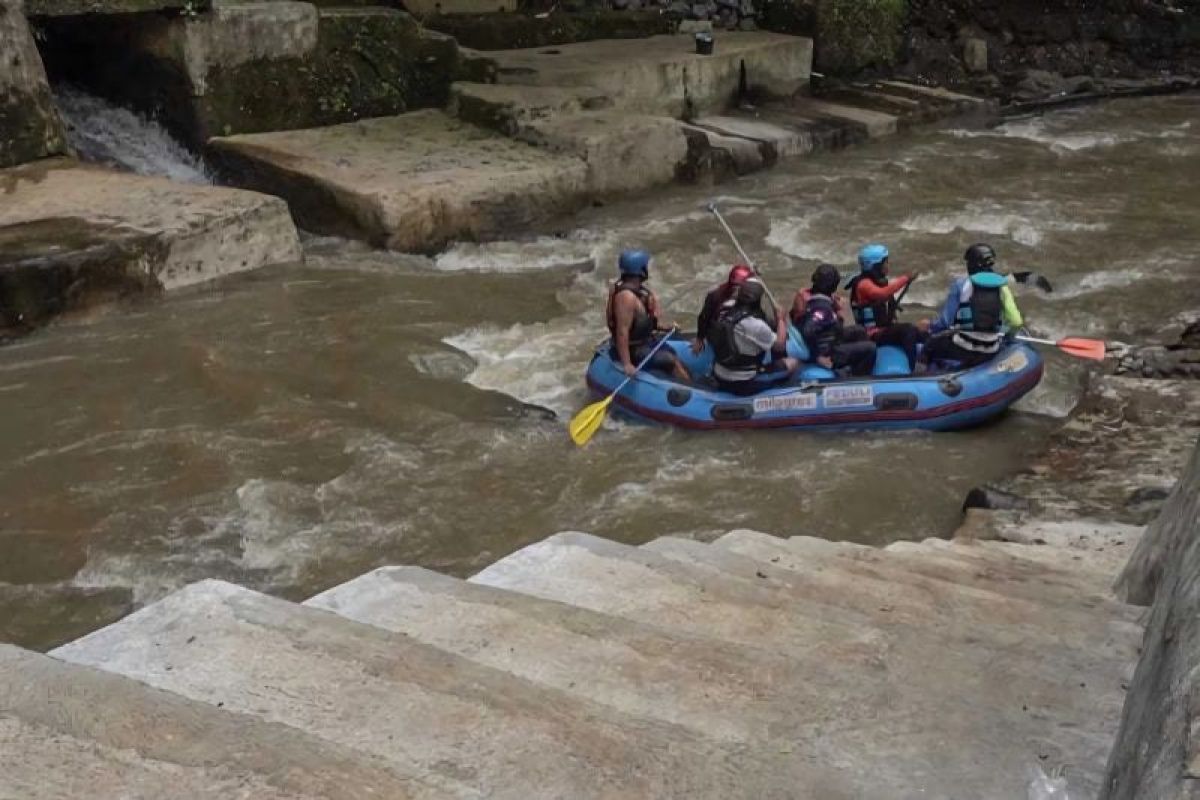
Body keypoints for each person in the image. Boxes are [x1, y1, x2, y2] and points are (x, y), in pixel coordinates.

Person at [924, 243, 1025, 367]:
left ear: (972, 265)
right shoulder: (1002, 287)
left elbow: (945, 322)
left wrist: (930, 328)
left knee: (930, 345)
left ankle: (921, 376)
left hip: (961, 348)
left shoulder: (961, 285)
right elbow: (1016, 322)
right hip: (990, 350)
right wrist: (1008, 337)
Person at [606, 249, 691, 382]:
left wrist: (666, 327)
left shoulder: (639, 292)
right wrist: (627, 364)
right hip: (634, 349)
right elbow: (622, 331)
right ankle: (691, 388)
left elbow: (644, 323)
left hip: (646, 342)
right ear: (640, 269)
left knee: (674, 356)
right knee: (672, 361)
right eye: (645, 266)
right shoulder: (626, 297)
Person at [707, 278, 799, 395]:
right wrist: (781, 319)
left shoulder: (725, 308)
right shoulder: (756, 326)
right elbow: (780, 345)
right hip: (743, 382)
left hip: (718, 373)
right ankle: (779, 391)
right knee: (793, 363)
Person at [845, 243, 925, 370]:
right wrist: (906, 278)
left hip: (884, 330)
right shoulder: (863, 284)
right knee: (907, 330)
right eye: (885, 262)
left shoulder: (879, 281)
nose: (888, 265)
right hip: (872, 335)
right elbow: (882, 294)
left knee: (920, 332)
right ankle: (911, 369)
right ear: (875, 265)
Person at [798, 264, 877, 376]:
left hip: (830, 339)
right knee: (871, 348)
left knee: (859, 330)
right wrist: (818, 356)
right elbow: (807, 330)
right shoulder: (822, 309)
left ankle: (854, 364)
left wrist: (834, 308)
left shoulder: (815, 299)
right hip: (828, 352)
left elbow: (834, 329)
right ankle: (856, 377)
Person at [693, 264, 755, 354]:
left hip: (739, 331)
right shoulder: (715, 295)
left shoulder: (751, 296)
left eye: (740, 286)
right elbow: (703, 317)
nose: (737, 289)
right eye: (735, 285)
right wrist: (699, 339)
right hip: (718, 332)